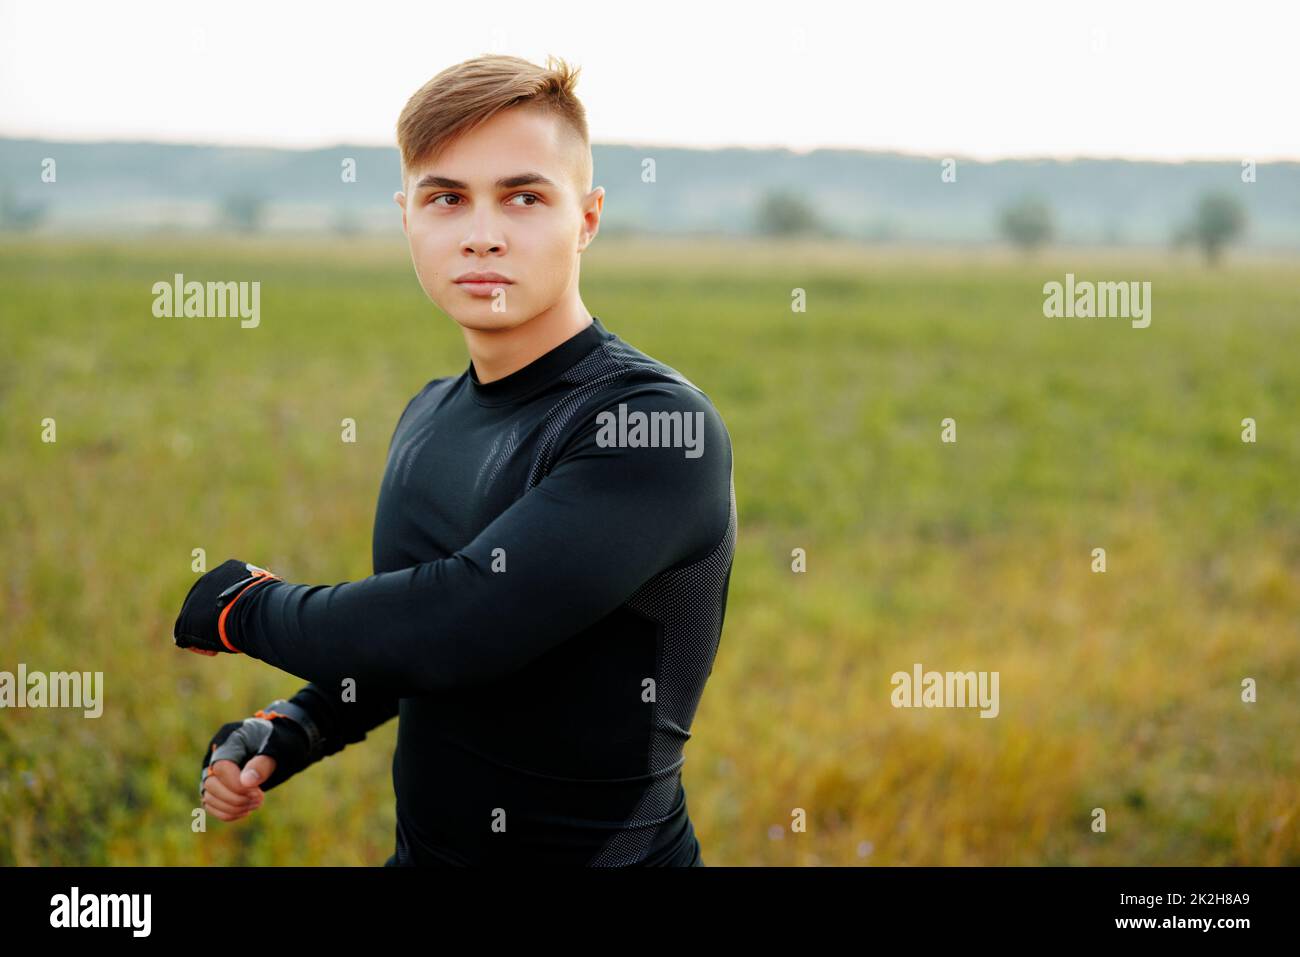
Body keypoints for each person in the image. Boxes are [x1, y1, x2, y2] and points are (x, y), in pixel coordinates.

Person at [174, 54, 735, 867]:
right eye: (446, 198)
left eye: (524, 196)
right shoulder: (432, 413)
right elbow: (414, 649)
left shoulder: (650, 424)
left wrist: (243, 608)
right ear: (408, 217)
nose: (481, 233)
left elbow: (460, 625)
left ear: (587, 217)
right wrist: (295, 723)